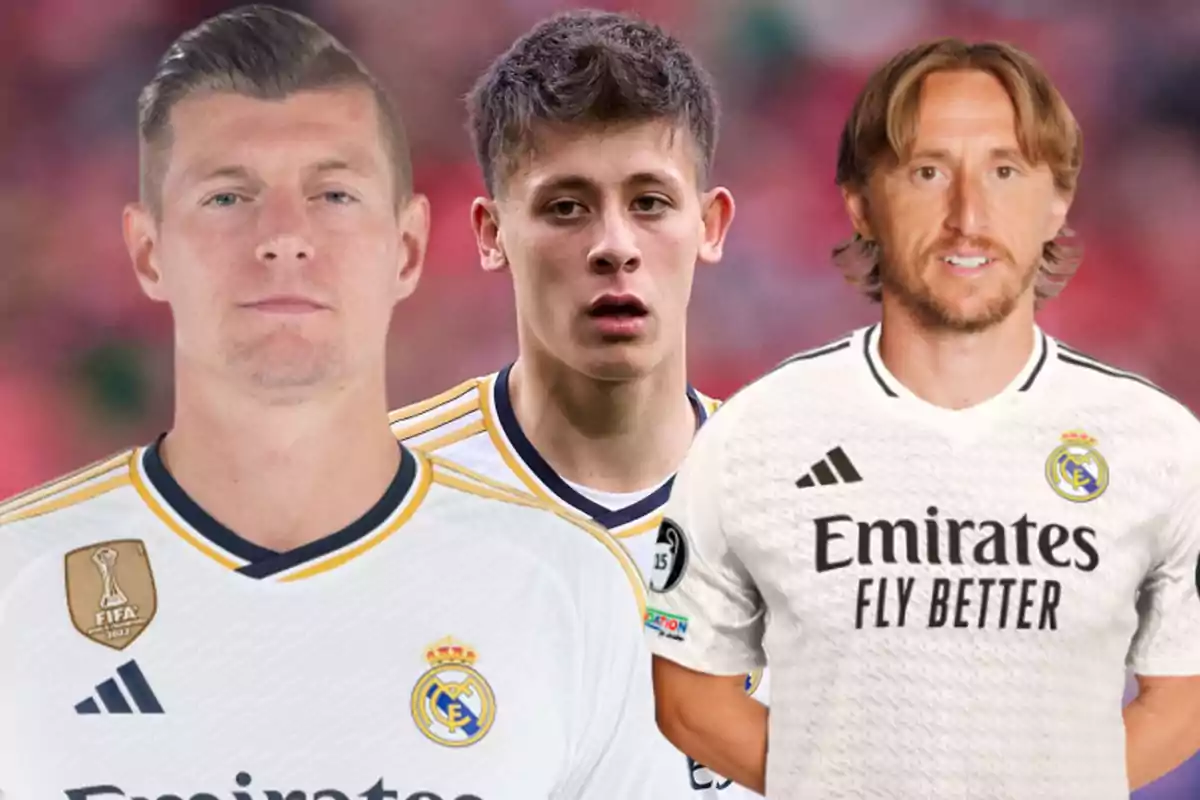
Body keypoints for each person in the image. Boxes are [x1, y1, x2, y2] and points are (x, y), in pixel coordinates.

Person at [0, 6, 683, 799]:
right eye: (228, 197)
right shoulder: (16, 588)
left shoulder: (570, 590)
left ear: (408, 249)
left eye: (333, 194)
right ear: (149, 252)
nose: (284, 237)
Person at [645, 37, 1200, 799]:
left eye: (1005, 172)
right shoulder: (752, 436)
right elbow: (688, 698)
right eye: (927, 172)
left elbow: (1185, 693)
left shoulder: (1160, 444)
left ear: (1058, 202)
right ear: (861, 204)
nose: (967, 216)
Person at [389, 10, 765, 797]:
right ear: (492, 233)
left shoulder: (805, 514)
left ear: (711, 223)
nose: (614, 245)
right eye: (566, 206)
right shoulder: (369, 503)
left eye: (652, 202)